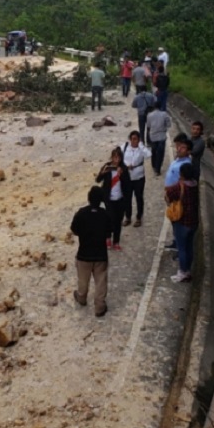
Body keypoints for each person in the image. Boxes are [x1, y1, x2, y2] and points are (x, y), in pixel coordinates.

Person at [70, 186, 111, 317]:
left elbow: (74, 229)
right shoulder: (105, 214)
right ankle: (99, 306)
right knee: (100, 281)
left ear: (88, 198)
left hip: (84, 254)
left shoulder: (81, 213)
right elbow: (109, 232)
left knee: (83, 279)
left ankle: (81, 297)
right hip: (100, 254)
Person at [165, 163, 198, 283]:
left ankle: (183, 272)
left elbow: (168, 196)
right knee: (189, 247)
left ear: (182, 174)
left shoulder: (180, 187)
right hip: (193, 222)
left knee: (182, 247)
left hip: (182, 221)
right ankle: (188, 270)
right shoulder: (195, 184)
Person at [95, 148, 130, 251]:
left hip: (120, 199)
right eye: (114, 157)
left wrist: (121, 175)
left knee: (118, 221)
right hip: (109, 199)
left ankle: (116, 242)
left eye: (118, 157)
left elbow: (127, 184)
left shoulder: (123, 168)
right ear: (112, 157)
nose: (116, 159)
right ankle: (108, 237)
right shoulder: (107, 166)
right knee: (110, 219)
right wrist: (103, 172)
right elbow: (98, 180)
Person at [163, 136, 192, 250]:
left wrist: (173, 194)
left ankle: (180, 246)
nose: (179, 149)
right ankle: (176, 241)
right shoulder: (177, 160)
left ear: (188, 151)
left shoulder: (186, 165)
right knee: (173, 218)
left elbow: (182, 182)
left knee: (177, 218)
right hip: (170, 193)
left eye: (183, 147)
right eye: (179, 146)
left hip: (176, 195)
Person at [121, 131, 152, 227]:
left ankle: (139, 217)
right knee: (127, 198)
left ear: (139, 139)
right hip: (127, 177)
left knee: (139, 197)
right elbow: (117, 156)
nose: (133, 141)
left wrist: (141, 145)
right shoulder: (125, 146)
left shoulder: (141, 149)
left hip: (139, 177)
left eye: (136, 139)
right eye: (132, 139)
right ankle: (128, 217)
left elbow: (149, 154)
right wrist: (125, 166)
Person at [145, 104, 172, 175]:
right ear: (160, 107)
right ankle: (158, 169)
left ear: (154, 107)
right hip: (162, 136)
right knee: (160, 153)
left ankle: (153, 165)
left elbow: (148, 126)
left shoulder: (149, 115)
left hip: (153, 136)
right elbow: (169, 124)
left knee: (153, 151)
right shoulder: (164, 114)